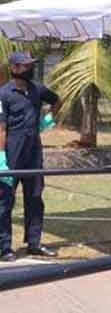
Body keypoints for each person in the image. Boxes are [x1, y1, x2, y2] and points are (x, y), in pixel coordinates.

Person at [0, 52, 61, 262]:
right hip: (12, 150)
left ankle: (34, 243)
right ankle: (4, 247)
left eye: (31, 65)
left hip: (34, 150)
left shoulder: (37, 89)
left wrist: (48, 119)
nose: (30, 68)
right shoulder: (4, 94)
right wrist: (1, 157)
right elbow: (1, 129)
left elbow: (57, 101)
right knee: (5, 200)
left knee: (35, 197)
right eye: (25, 65)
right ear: (14, 68)